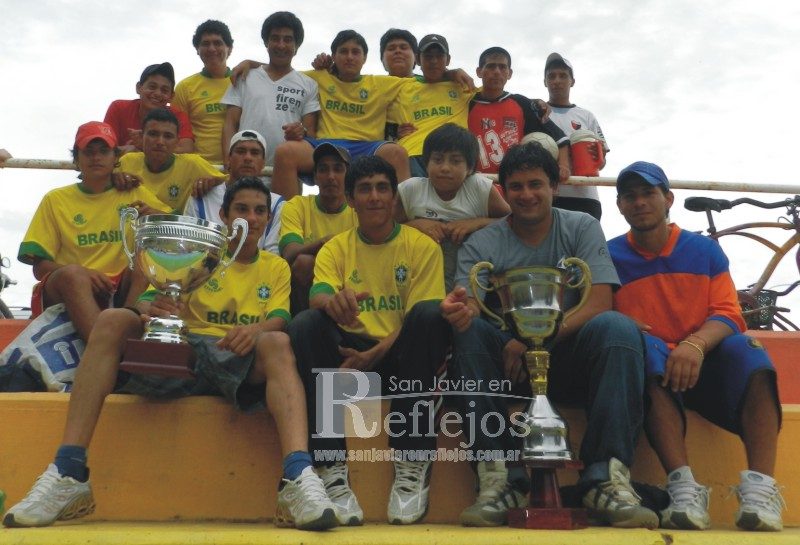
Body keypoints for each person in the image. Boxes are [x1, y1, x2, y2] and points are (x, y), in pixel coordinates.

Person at [3, 178, 339, 532]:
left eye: (259, 211)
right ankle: (68, 470)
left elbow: (279, 318)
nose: (251, 219)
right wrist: (153, 310)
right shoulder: (196, 252)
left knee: (278, 342)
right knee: (113, 319)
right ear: (225, 216)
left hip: (235, 358)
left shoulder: (275, 267)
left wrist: (257, 330)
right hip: (182, 351)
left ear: (269, 219)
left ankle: (297, 476)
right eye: (242, 209)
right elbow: (146, 301)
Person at [440, 142, 657, 529]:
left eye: (535, 184)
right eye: (516, 187)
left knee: (618, 329)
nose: (526, 195)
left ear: (554, 186)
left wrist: (533, 341)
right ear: (504, 191)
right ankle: (499, 478)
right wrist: (460, 310)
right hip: (508, 369)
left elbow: (600, 301)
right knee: (469, 333)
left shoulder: (581, 227)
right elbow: (469, 304)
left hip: (568, 359)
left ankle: (605, 479)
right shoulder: (482, 243)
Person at [608, 161, 784, 531]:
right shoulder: (608, 256)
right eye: (630, 196)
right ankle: (684, 489)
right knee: (645, 349)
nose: (639, 202)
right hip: (654, 369)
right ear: (620, 205)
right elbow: (601, 313)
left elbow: (729, 313)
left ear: (668, 198)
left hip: (706, 362)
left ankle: (761, 491)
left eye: (648, 193)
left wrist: (695, 344)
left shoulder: (704, 251)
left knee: (750, 351)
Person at [288, 156, 450, 526]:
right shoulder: (336, 248)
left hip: (402, 361)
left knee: (428, 316)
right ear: (350, 199)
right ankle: (331, 469)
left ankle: (412, 463)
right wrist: (333, 303)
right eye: (364, 189)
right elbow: (318, 295)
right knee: (306, 324)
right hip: (350, 363)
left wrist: (374, 354)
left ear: (394, 197)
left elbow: (417, 321)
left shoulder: (422, 247)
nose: (374, 197)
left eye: (382, 188)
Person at [16, 121, 168, 343]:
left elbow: (176, 227)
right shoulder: (55, 199)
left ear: (115, 158)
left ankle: (127, 324)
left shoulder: (134, 192)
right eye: (88, 152)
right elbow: (39, 267)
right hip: (69, 288)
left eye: (103, 151)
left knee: (146, 259)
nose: (96, 157)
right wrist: (85, 273)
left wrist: (157, 215)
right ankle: (107, 345)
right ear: (77, 159)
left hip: (119, 290)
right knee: (73, 275)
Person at [268, 30, 412, 198]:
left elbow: (424, 82)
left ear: (365, 58)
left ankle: (403, 214)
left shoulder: (383, 83)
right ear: (333, 57)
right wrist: (250, 64)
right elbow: (282, 71)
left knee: (397, 153)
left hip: (367, 147)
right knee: (285, 152)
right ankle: (285, 213)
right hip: (325, 145)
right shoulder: (318, 77)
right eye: (343, 51)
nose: (349, 57)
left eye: (355, 52)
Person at [395, 123, 510, 290]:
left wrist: (476, 223)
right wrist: (416, 225)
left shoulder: (479, 188)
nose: (445, 168)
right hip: (419, 274)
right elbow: (389, 229)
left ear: (470, 168)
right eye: (437, 159)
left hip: (470, 275)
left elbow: (511, 222)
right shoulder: (410, 189)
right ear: (426, 163)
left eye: (455, 161)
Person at [221, 12, 319, 176]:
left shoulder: (309, 85)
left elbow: (311, 134)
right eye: (275, 38)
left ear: (296, 47)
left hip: (286, 175)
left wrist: (301, 131)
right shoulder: (245, 76)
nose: (281, 45)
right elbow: (230, 123)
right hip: (244, 173)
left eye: (288, 40)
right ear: (266, 42)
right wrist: (228, 162)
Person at [279, 142, 357, 314]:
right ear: (315, 177)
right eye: (323, 169)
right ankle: (303, 322)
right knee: (303, 263)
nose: (331, 176)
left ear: (349, 176)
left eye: (338, 169)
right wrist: (324, 243)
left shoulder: (358, 209)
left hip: (350, 274)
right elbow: (289, 253)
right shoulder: (296, 205)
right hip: (313, 278)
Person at [469, 47, 569, 179]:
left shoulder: (523, 104)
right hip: (476, 184)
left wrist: (564, 166)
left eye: (502, 67)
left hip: (513, 185)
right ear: (479, 71)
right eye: (491, 66)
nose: (497, 72)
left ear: (509, 73)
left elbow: (560, 138)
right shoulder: (466, 104)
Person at [185, 129, 285, 254]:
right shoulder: (201, 197)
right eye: (241, 151)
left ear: (263, 163)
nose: (248, 158)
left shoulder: (277, 204)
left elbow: (273, 253)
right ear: (228, 159)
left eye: (255, 153)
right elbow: (188, 248)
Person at [117, 108, 226, 213]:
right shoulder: (127, 161)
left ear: (177, 141)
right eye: (153, 134)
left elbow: (229, 183)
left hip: (178, 225)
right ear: (141, 137)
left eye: (168, 136)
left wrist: (213, 181)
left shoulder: (192, 164)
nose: (160, 142)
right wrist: (114, 178)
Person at [544, 53, 608, 220]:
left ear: (572, 81)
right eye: (551, 76)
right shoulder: (538, 113)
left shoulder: (587, 116)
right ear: (545, 82)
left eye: (563, 76)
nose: (557, 80)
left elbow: (602, 163)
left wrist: (598, 157)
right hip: (548, 196)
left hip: (585, 196)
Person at [173, 20, 235, 165]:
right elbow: (177, 134)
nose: (211, 48)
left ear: (229, 48)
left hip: (239, 167)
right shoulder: (185, 87)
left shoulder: (243, 82)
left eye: (218, 43)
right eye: (205, 44)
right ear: (197, 49)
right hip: (199, 168)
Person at [104, 63, 194, 154]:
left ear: (171, 97)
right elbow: (104, 149)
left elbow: (187, 149)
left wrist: (144, 145)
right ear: (138, 88)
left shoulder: (178, 117)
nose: (157, 93)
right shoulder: (119, 108)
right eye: (152, 87)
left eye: (164, 90)